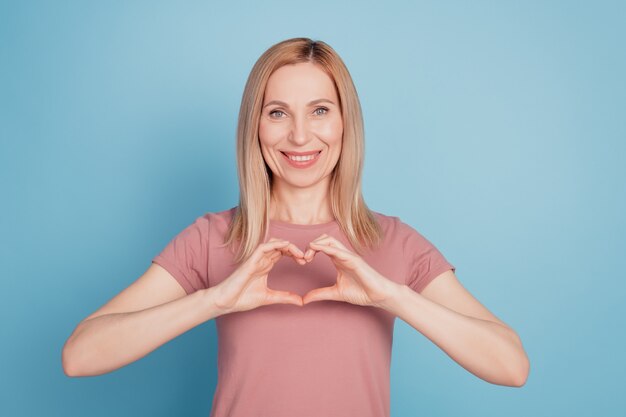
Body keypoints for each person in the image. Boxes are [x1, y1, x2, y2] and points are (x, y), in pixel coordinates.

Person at [62, 37, 529, 416]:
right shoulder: (214, 238)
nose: (300, 135)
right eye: (278, 112)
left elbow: (511, 366)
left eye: (320, 110)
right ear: (256, 126)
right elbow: (80, 355)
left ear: (346, 123)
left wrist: (392, 297)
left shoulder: (395, 243)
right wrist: (214, 300)